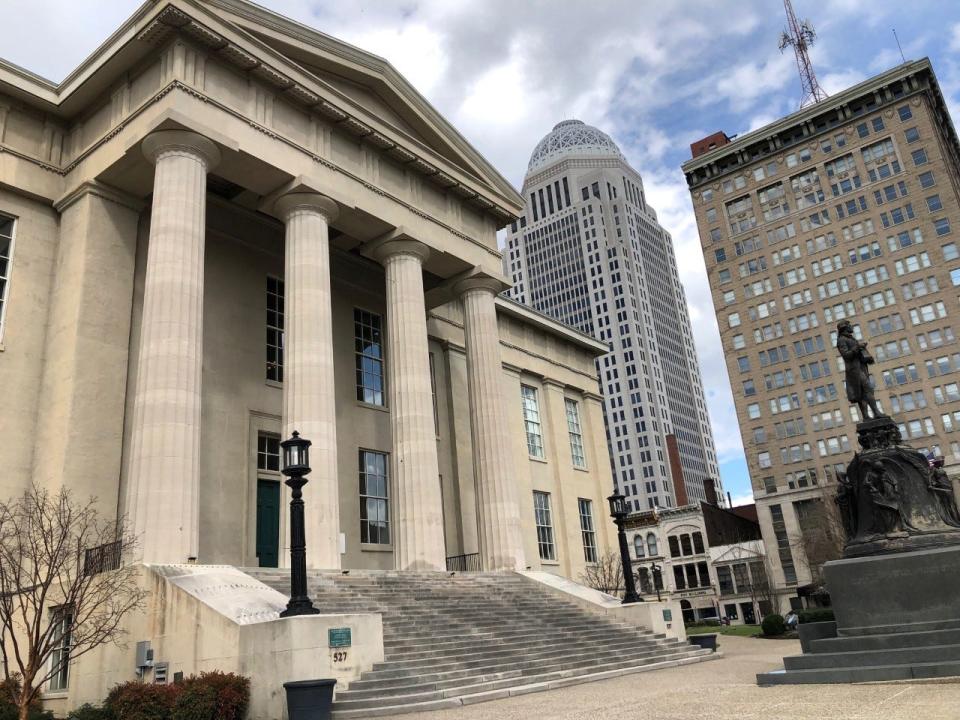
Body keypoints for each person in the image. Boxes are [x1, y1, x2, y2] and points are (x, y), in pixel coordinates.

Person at [836, 320, 886, 420]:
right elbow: (846, 355)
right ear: (845, 327)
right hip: (854, 370)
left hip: (861, 367)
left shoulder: (851, 339)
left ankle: (866, 416)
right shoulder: (841, 340)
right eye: (850, 325)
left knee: (863, 392)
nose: (852, 327)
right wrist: (857, 347)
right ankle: (876, 412)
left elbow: (857, 353)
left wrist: (866, 356)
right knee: (868, 389)